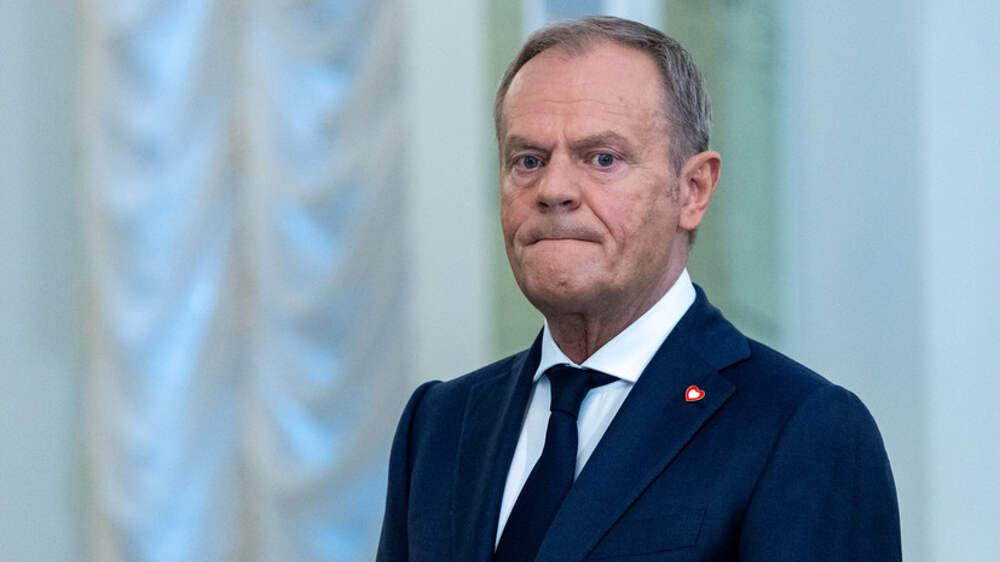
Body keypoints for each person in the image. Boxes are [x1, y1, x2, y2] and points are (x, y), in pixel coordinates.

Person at [378, 16, 900, 561]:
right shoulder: (439, 424)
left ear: (693, 190)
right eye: (528, 161)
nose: (554, 189)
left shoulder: (800, 427)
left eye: (602, 159)